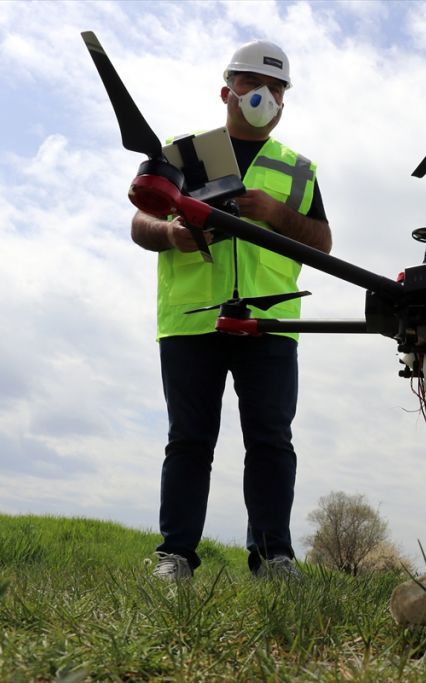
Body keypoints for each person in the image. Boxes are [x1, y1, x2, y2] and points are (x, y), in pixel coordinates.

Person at [130, 40, 331, 580]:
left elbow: (323, 243)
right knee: (190, 439)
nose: (265, 94)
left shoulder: (298, 170)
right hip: (191, 316)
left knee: (270, 440)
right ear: (227, 90)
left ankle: (273, 557)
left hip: (270, 319)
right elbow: (138, 225)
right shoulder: (181, 151)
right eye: (251, 83)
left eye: (278, 88)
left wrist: (277, 214)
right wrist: (174, 235)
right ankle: (175, 555)